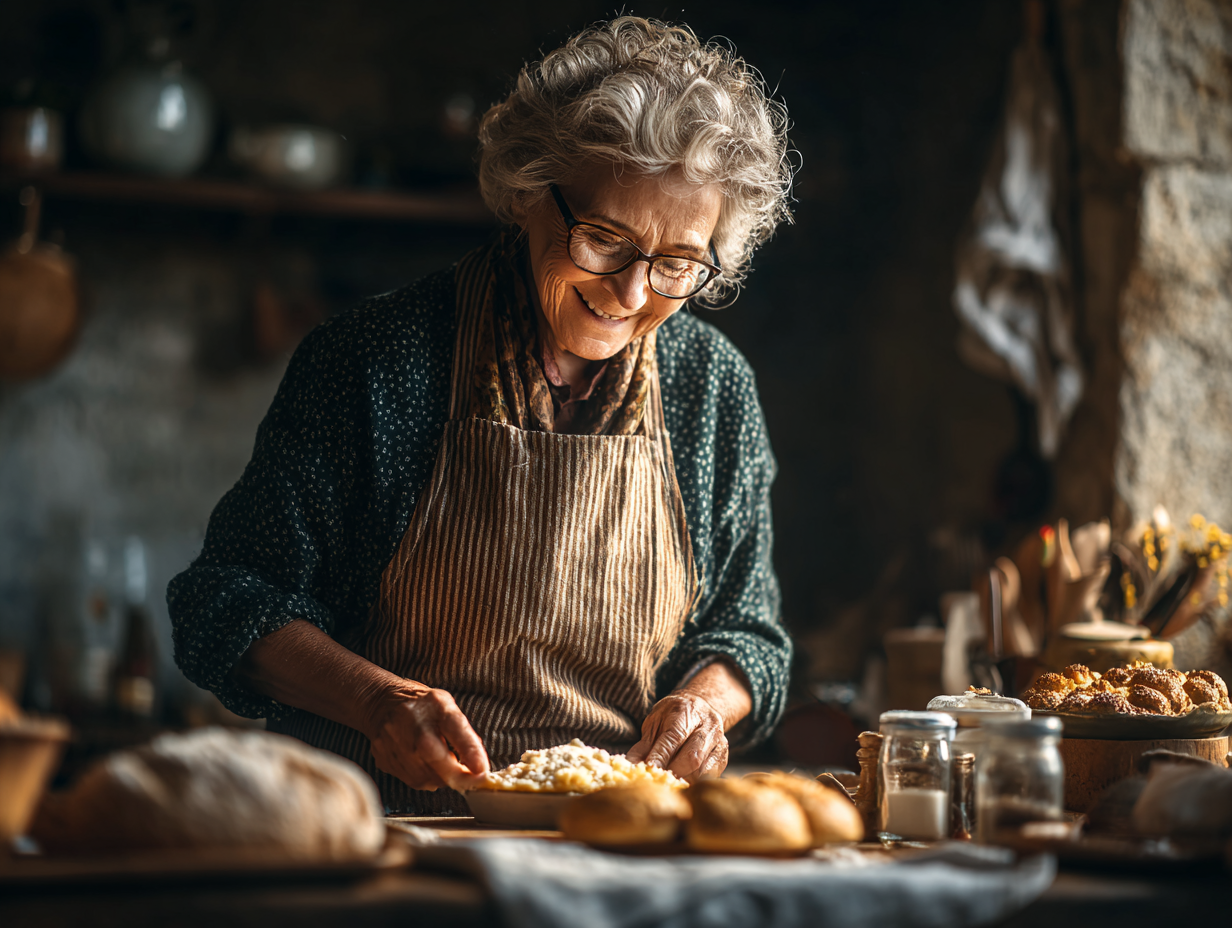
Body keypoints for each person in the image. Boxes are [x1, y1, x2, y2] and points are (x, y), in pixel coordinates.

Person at [169, 15, 794, 814]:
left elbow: (748, 633)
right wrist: (377, 702)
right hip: (381, 826)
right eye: (603, 240)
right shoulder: (376, 360)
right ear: (530, 192)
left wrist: (705, 704)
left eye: (676, 264)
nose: (632, 292)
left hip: (610, 838)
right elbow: (227, 599)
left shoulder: (710, 387)